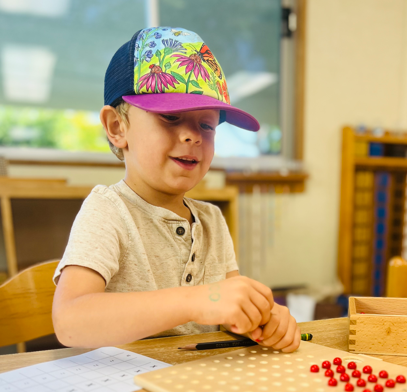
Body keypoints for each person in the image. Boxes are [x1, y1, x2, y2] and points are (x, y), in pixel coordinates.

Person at [52, 26, 300, 353]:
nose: (192, 136)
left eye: (206, 125)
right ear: (117, 127)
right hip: (122, 390)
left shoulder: (212, 220)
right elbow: (70, 322)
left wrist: (263, 317)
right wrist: (195, 300)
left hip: (195, 384)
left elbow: (228, 313)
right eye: (170, 117)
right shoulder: (108, 210)